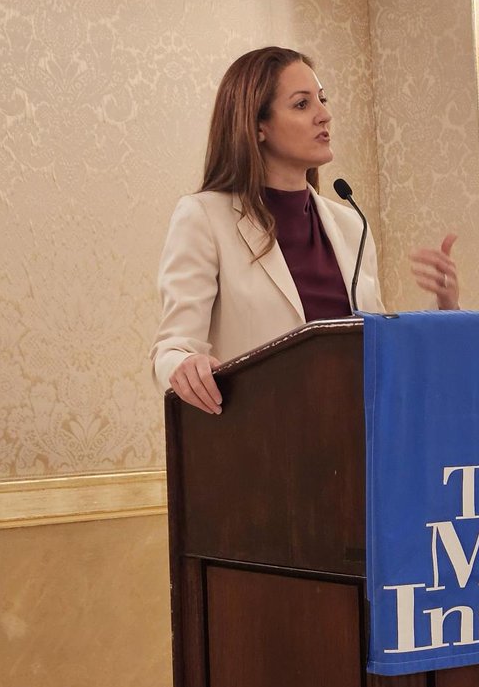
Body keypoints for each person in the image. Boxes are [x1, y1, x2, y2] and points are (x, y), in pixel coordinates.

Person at [151, 46, 460, 414]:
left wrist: (444, 309)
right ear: (258, 126)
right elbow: (172, 348)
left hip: (356, 434)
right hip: (260, 434)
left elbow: (378, 348)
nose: (324, 115)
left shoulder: (351, 226)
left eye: (322, 100)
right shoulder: (205, 217)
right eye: (302, 104)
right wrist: (185, 366)